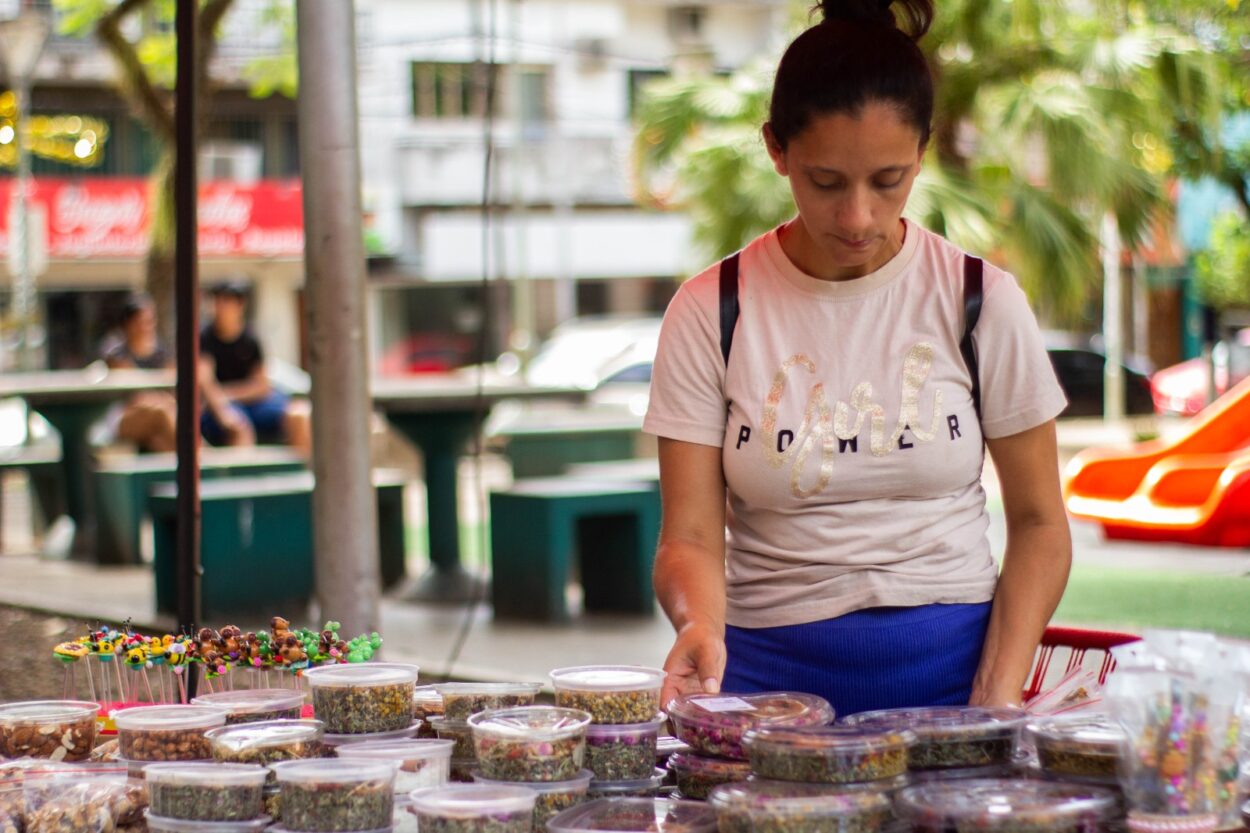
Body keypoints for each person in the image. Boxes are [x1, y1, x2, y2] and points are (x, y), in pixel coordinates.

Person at [644, 0, 1072, 716]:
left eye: (888, 179)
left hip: (957, 690)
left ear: (923, 153)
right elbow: (688, 534)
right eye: (826, 182)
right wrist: (697, 622)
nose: (858, 218)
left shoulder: (978, 300)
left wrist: (995, 695)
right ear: (776, 149)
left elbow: (1039, 523)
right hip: (765, 700)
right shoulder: (710, 309)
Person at [199, 282, 311, 452]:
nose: (220, 307)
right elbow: (205, 382)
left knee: (299, 415)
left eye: (226, 301)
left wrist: (229, 393)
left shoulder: (251, 339)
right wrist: (223, 406)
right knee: (238, 426)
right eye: (217, 301)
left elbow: (261, 385)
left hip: (254, 404)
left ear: (240, 304)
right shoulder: (205, 339)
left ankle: (305, 474)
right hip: (219, 409)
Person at [102, 293, 176, 453]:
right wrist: (164, 399)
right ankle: (203, 461)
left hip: (158, 419)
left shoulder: (163, 354)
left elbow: (173, 389)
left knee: (159, 441)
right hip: (123, 419)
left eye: (148, 321)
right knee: (162, 413)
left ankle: (193, 469)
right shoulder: (117, 356)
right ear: (127, 324)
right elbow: (137, 398)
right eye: (139, 321)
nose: (145, 327)